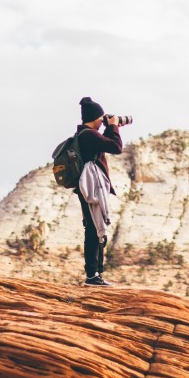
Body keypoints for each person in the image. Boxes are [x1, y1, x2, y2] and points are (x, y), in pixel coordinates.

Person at [75, 96, 122, 286]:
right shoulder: (89, 135)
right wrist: (113, 127)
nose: (103, 120)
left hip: (89, 185)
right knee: (94, 228)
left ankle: (96, 274)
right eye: (101, 118)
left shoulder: (86, 134)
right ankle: (92, 275)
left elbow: (107, 144)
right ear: (95, 117)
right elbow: (116, 147)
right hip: (92, 185)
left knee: (95, 227)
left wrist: (110, 128)